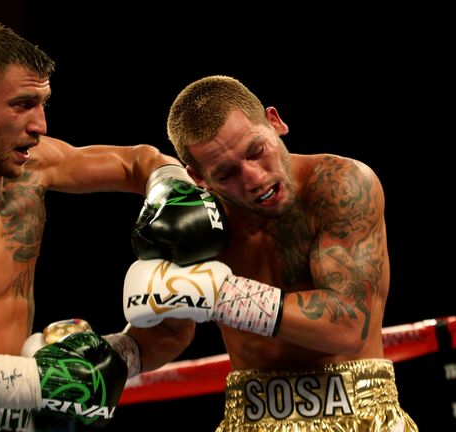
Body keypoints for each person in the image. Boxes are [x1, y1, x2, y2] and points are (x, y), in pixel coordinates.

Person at [0, 22, 208, 431]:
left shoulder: (33, 167)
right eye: (22, 104)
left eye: (42, 103)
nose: (39, 125)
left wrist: (173, 188)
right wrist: (40, 382)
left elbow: (137, 163)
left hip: (20, 414)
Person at [122, 75, 419, 431]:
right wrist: (108, 362)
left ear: (275, 122)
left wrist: (222, 297)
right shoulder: (195, 223)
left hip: (358, 413)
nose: (253, 178)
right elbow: (170, 331)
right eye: (227, 172)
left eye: (256, 151)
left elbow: (348, 325)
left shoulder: (338, 185)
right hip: (249, 417)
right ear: (197, 177)